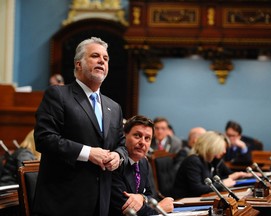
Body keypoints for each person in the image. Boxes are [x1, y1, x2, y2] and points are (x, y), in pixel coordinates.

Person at [33, 37, 128, 216]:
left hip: (101, 204)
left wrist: (118, 156)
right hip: (63, 203)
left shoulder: (114, 107)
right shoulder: (58, 95)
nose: (102, 61)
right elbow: (44, 139)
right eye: (95, 56)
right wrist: (88, 153)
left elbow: (121, 145)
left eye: (106, 58)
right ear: (78, 64)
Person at [109, 115, 174, 215]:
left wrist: (141, 197)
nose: (142, 142)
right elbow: (126, 207)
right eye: (137, 136)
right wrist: (159, 208)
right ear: (124, 136)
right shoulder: (115, 163)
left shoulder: (143, 162)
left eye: (147, 138)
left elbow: (151, 195)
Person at [173, 131, 252, 199]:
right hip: (185, 202)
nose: (224, 151)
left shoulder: (210, 160)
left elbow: (213, 181)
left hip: (200, 199)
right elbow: (198, 189)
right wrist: (223, 184)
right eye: (222, 147)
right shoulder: (193, 161)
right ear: (212, 146)